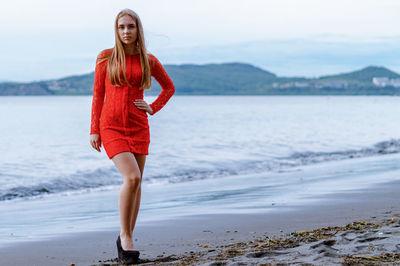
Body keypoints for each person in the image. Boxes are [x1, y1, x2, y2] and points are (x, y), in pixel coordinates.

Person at [89, 8, 175, 264]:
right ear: (116, 30)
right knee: (132, 176)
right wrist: (94, 129)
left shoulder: (149, 60)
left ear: (138, 30)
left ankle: (126, 241)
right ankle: (125, 237)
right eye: (121, 27)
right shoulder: (105, 58)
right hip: (111, 126)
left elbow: (168, 88)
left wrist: (153, 107)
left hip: (139, 126)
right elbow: (98, 95)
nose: (126, 31)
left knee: (136, 184)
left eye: (130, 26)